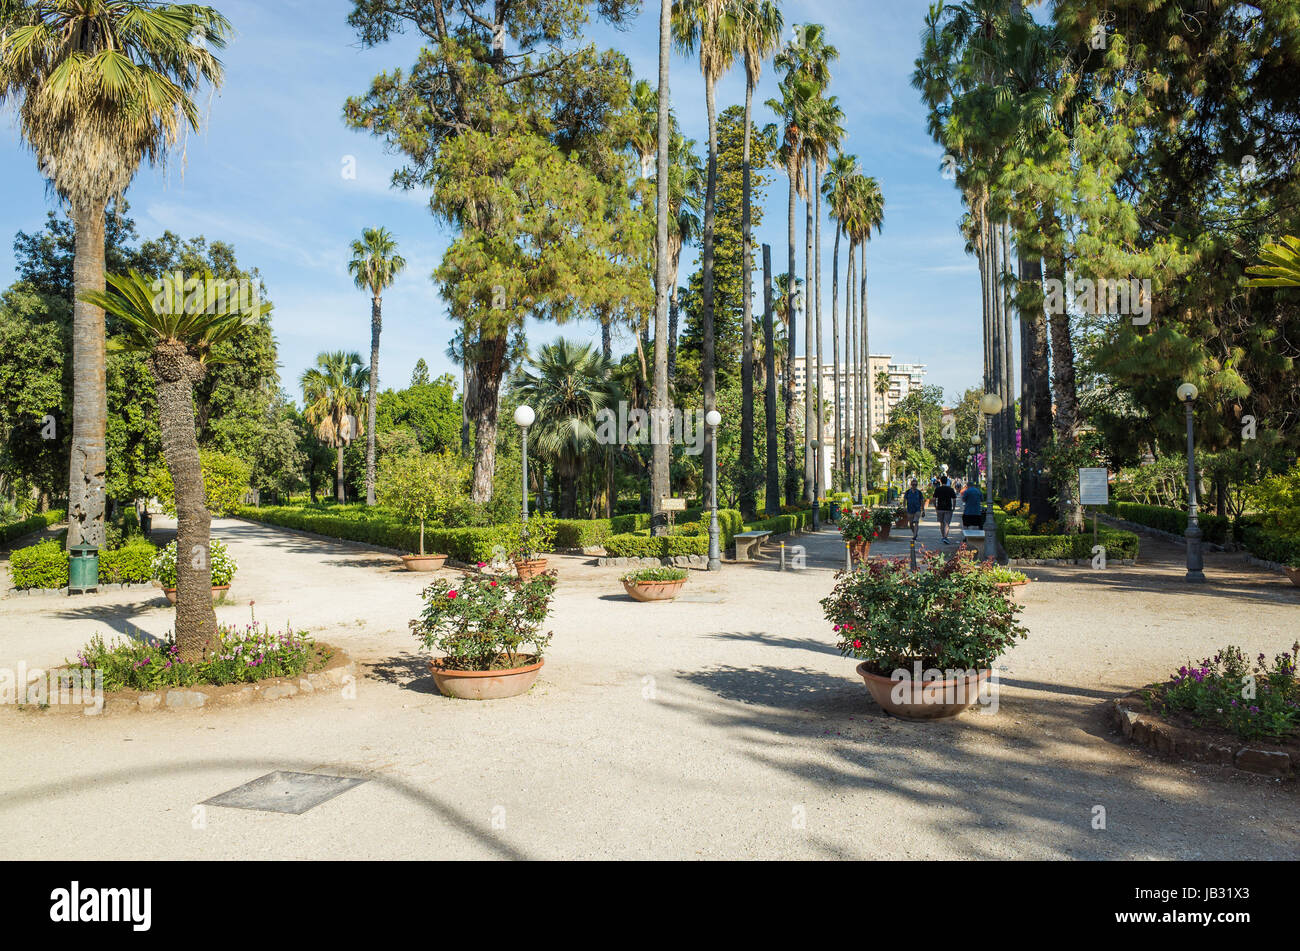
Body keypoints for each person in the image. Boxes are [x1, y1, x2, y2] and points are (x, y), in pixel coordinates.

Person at [934, 476, 957, 543]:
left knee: (941, 523)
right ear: (947, 481)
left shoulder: (937, 489)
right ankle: (945, 537)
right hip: (948, 508)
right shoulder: (950, 489)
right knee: (946, 523)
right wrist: (954, 507)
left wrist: (936, 506)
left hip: (940, 508)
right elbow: (954, 499)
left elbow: (934, 499)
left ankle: (943, 536)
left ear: (940, 481)